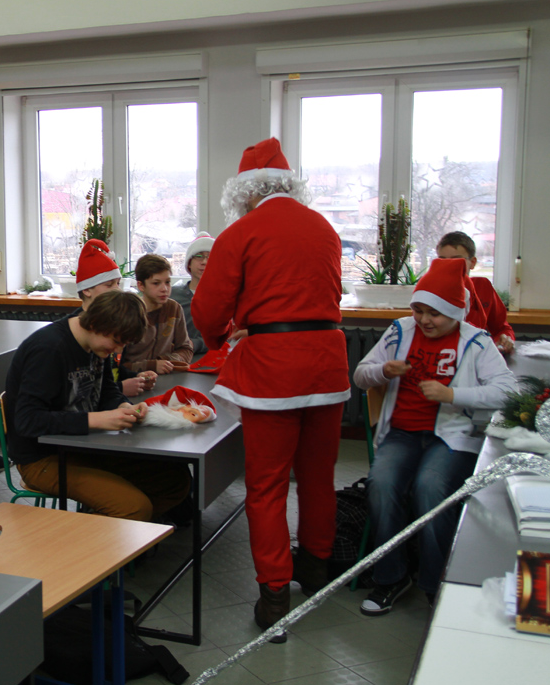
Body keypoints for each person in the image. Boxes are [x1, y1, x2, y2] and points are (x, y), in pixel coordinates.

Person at [191, 137, 350, 642]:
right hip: (327, 366)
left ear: (244, 192)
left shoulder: (241, 232)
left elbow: (210, 309)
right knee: (319, 477)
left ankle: (275, 594)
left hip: (273, 371)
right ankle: (317, 568)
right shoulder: (324, 227)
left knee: (267, 486)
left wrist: (222, 337)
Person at [355, 258, 515, 614]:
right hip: (401, 432)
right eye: (419, 310)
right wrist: (383, 371)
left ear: (456, 313)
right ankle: (391, 577)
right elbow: (361, 375)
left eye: (435, 314)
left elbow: (508, 391)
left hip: (452, 437)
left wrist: (453, 395)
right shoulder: (400, 331)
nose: (425, 320)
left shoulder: (476, 341)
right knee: (382, 484)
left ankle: (435, 582)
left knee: (431, 487)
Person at [5, 290, 191, 522]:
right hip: (41, 459)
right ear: (94, 324)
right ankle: (103, 533)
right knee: (134, 507)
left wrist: (123, 405)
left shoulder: (96, 342)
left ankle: (121, 531)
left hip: (82, 446)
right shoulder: (49, 349)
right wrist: (95, 420)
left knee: (175, 481)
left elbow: (106, 389)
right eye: (117, 342)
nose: (119, 350)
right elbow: (27, 421)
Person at [69, 239, 155, 397]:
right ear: (87, 290)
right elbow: (78, 388)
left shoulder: (114, 322)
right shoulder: (78, 330)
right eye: (109, 285)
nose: (117, 290)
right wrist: (120, 388)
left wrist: (135, 377)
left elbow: (111, 370)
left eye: (118, 283)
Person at [435, 231, 515, 354]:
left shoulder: (482, 287)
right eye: (442, 260)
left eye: (457, 260)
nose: (449, 266)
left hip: (475, 355)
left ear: (472, 262)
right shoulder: (430, 292)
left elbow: (501, 328)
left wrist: (505, 338)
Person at [121, 253, 194, 375]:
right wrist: (152, 366)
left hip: (166, 378)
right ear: (141, 285)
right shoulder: (128, 313)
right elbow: (118, 366)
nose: (164, 289)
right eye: (156, 283)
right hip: (134, 380)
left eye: (167, 282)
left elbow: (186, 349)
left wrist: (166, 361)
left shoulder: (174, 308)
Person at [170, 232, 214, 356]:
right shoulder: (172, 296)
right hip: (176, 360)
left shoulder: (225, 297)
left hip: (214, 360)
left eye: (210, 257)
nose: (204, 262)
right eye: (199, 256)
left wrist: (194, 344)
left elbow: (226, 336)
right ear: (189, 262)